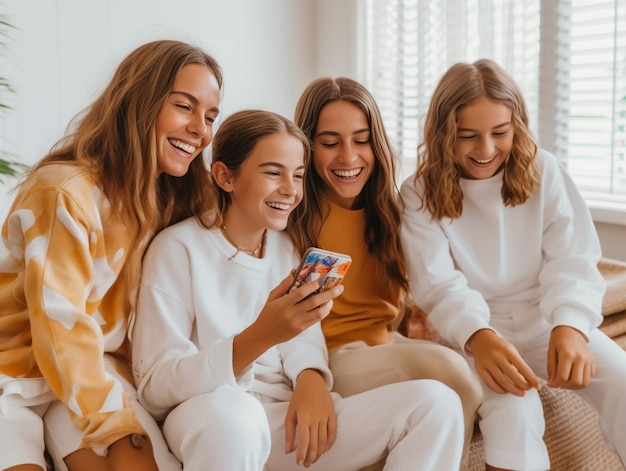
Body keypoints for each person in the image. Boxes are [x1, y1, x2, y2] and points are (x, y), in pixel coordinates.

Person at [131, 109, 465, 471]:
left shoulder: (285, 248)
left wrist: (311, 380)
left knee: (436, 404)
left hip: (280, 419)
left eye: (299, 175)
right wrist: (257, 338)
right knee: (236, 417)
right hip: (208, 413)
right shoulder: (177, 249)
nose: (290, 190)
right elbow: (154, 386)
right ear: (225, 176)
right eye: (273, 172)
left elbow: (303, 341)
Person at [0, 39, 223, 471]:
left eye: (210, 116)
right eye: (184, 107)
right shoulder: (64, 192)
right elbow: (62, 327)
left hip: (90, 373)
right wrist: (115, 427)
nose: (201, 129)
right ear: (139, 102)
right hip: (15, 378)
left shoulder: (170, 199)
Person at [400, 58, 626, 471]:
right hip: (475, 331)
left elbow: (572, 257)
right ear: (442, 134)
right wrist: (480, 337)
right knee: (513, 413)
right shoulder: (416, 193)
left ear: (516, 126)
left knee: (623, 382)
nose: (485, 150)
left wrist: (571, 324)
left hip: (546, 318)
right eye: (467, 136)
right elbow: (437, 283)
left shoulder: (545, 171)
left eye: (499, 133)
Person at [287, 76, 482, 453]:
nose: (348, 156)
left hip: (385, 344)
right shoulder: (292, 217)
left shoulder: (392, 212)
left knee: (467, 372)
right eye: (330, 143)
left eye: (361, 140)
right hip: (328, 357)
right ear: (306, 149)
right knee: (454, 375)